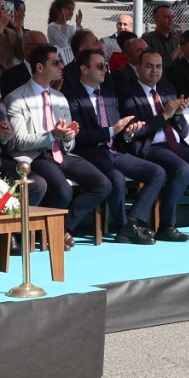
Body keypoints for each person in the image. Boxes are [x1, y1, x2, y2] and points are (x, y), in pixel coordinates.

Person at [112, 46, 189, 240]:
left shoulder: (167, 89)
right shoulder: (128, 93)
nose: (155, 70)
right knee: (181, 169)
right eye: (149, 66)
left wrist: (178, 115)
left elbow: (182, 131)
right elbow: (133, 131)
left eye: (158, 66)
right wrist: (164, 115)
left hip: (177, 146)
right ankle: (166, 226)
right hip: (150, 147)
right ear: (138, 69)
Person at [6, 44, 113, 238]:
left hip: (61, 153)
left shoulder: (59, 97)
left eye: (60, 62)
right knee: (63, 191)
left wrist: (67, 137)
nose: (61, 66)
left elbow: (68, 140)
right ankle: (46, 232)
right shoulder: (16, 98)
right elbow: (20, 141)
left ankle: (61, 229)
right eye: (55, 62)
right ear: (39, 67)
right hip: (37, 155)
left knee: (103, 184)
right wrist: (52, 135)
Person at [66, 48, 168, 241]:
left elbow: (118, 129)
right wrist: (112, 131)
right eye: (100, 66)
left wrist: (129, 134)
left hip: (114, 151)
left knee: (158, 172)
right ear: (84, 69)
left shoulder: (108, 93)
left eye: (106, 66)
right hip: (90, 153)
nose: (105, 69)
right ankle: (122, 225)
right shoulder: (72, 97)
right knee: (117, 178)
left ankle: (133, 220)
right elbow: (79, 136)